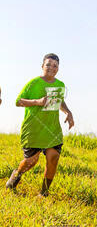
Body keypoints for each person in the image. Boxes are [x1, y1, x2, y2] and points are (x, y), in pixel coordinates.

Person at [6, 53, 74, 197]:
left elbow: (59, 101)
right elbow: (18, 101)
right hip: (34, 129)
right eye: (48, 64)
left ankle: (43, 193)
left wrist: (68, 112)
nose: (51, 68)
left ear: (58, 68)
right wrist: (37, 102)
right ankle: (15, 177)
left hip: (52, 129)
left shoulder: (60, 85)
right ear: (42, 66)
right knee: (31, 161)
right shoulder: (34, 83)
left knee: (53, 158)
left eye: (55, 65)